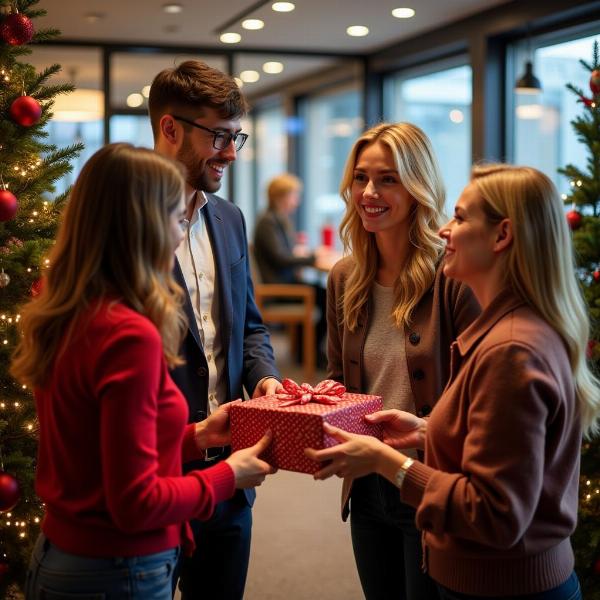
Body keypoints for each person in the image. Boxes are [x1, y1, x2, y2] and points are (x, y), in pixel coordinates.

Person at [307, 163, 600, 599]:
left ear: (501, 236)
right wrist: (427, 431)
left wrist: (386, 462)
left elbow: (494, 513)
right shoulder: (512, 331)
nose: (445, 229)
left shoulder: (511, 350)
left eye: (461, 218)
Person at [11, 143, 275, 600]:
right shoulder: (128, 334)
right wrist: (228, 474)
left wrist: (196, 437)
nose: (180, 234)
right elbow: (134, 504)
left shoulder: (69, 311)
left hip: (63, 554)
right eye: (176, 219)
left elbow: (97, 448)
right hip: (116, 569)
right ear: (143, 227)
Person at [323, 122, 480, 600]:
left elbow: (477, 394)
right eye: (360, 178)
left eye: (388, 179)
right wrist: (312, 403)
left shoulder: (454, 275)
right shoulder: (345, 276)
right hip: (366, 484)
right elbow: (339, 381)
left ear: (417, 188)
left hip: (429, 481)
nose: (369, 192)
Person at [148, 60, 281, 600]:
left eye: (236, 137)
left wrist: (266, 378)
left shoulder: (231, 218)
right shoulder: (124, 221)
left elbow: (248, 325)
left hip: (230, 476)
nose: (230, 152)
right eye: (219, 136)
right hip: (154, 477)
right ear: (171, 128)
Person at [253, 173, 328, 365]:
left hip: (283, 281)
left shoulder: (276, 219)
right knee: (327, 296)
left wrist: (305, 257)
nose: (297, 201)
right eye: (294, 195)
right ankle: (309, 354)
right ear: (282, 196)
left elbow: (283, 254)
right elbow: (280, 258)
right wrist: (312, 257)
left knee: (322, 293)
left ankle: (305, 351)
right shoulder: (268, 222)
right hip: (278, 288)